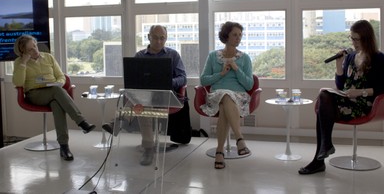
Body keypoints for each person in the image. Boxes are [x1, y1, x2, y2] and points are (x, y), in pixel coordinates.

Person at [298, 20, 384, 175]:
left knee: (323, 109)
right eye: (352, 38)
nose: (354, 43)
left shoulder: (379, 58)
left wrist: (360, 92)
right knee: (324, 96)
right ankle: (325, 148)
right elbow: (342, 86)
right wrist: (339, 64)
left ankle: (319, 159)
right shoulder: (350, 57)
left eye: (357, 39)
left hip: (365, 104)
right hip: (347, 101)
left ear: (367, 38)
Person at [102, 25, 190, 165]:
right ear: (149, 37)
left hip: (165, 95)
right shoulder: (140, 56)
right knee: (142, 101)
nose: (159, 41)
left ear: (166, 38)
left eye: (162, 38)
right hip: (144, 96)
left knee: (141, 101)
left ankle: (118, 123)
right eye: (155, 37)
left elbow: (183, 78)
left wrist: (168, 82)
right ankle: (148, 147)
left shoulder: (173, 55)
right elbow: (134, 80)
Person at [12, 34, 96, 161]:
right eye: (30, 49)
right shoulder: (19, 62)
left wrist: (59, 83)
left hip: (53, 90)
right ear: (23, 52)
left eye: (35, 46)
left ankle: (64, 147)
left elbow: (61, 76)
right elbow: (18, 83)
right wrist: (23, 63)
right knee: (57, 92)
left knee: (57, 104)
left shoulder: (48, 57)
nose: (35, 50)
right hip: (35, 94)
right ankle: (81, 122)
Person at [200, 21, 254, 169]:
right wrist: (221, 73)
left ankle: (219, 152)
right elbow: (203, 80)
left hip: (238, 97)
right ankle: (240, 139)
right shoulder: (213, 56)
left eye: (240, 35)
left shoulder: (245, 58)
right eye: (235, 35)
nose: (238, 38)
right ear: (226, 36)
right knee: (224, 95)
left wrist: (236, 69)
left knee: (226, 100)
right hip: (216, 95)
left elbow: (249, 84)